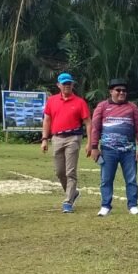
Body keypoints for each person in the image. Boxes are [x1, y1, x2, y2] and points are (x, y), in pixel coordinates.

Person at [89, 78, 138, 216]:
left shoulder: (132, 107)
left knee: (131, 180)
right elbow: (95, 128)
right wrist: (94, 147)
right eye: (118, 90)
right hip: (108, 151)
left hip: (128, 151)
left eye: (124, 91)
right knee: (106, 179)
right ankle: (105, 206)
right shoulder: (102, 106)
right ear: (111, 91)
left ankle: (133, 205)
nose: (121, 93)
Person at [41, 72, 90, 213]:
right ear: (58, 85)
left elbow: (88, 122)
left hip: (73, 137)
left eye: (69, 83)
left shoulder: (80, 102)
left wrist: (90, 142)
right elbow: (47, 120)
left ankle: (68, 201)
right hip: (57, 138)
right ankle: (73, 193)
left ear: (73, 85)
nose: (67, 86)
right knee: (59, 171)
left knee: (70, 171)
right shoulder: (52, 101)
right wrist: (44, 139)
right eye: (64, 83)